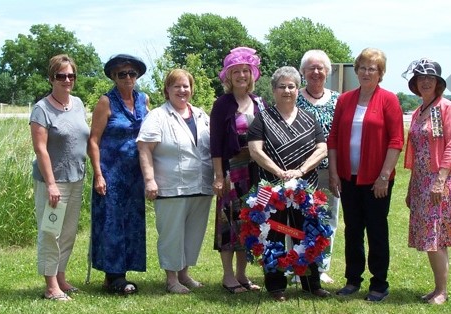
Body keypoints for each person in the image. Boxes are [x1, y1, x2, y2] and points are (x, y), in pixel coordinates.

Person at [248, 66, 331, 301]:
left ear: (298, 89)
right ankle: (276, 286)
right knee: (272, 234)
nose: (287, 90)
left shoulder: (309, 118)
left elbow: (322, 149)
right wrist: (280, 172)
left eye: (292, 86)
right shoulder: (263, 118)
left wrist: (301, 171)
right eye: (282, 86)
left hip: (305, 189)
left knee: (308, 234)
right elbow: (255, 150)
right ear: (273, 90)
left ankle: (311, 283)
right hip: (269, 189)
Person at [327, 48, 404, 302]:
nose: (367, 72)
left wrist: (384, 176)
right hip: (349, 178)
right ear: (356, 70)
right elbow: (334, 138)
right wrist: (335, 173)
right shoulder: (345, 100)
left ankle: (379, 284)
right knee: (353, 230)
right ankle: (352, 280)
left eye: (373, 68)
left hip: (376, 181)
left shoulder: (389, 100)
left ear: (380, 74)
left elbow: (396, 141)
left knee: (377, 231)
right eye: (362, 67)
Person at [137, 69, 214, 294]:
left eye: (186, 86)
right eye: (176, 86)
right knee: (171, 234)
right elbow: (144, 147)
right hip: (170, 186)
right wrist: (149, 180)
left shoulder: (201, 115)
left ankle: (184, 274)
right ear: (167, 90)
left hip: (200, 184)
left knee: (194, 232)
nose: (182, 90)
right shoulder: (158, 116)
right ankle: (171, 279)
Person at [402, 58, 451, 305]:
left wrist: (440, 180)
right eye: (421, 78)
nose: (425, 82)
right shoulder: (422, 111)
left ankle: (442, 291)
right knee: (432, 237)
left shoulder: (444, 108)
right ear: (415, 84)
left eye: (430, 78)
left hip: (439, 179)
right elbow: (418, 151)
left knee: (435, 237)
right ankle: (437, 288)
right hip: (421, 180)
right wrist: (412, 185)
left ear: (438, 83)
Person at [87, 54, 149, 295]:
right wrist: (99, 174)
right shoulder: (106, 102)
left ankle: (125, 270)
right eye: (121, 74)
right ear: (113, 76)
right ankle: (114, 276)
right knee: (111, 223)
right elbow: (93, 141)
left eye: (131, 73)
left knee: (132, 222)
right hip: (111, 173)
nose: (127, 78)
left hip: (135, 174)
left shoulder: (144, 99)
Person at [30, 54, 90, 301]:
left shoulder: (77, 104)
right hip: (53, 183)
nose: (67, 80)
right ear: (51, 78)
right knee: (50, 232)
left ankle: (62, 277)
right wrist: (52, 184)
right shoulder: (41, 109)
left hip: (76, 178)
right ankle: (50, 285)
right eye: (61, 76)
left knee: (67, 232)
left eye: (71, 75)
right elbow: (40, 149)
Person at [210, 47, 267, 294]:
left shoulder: (258, 102)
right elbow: (215, 144)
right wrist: (219, 176)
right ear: (229, 76)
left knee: (248, 223)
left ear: (251, 74)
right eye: (236, 72)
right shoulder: (222, 104)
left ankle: (243, 274)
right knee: (228, 224)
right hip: (232, 171)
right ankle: (228, 276)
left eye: (245, 71)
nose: (241, 75)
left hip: (255, 172)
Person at [296, 49, 340, 284]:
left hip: (329, 170)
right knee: (299, 218)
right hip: (300, 171)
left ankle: (321, 267)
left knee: (327, 219)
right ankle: (298, 266)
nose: (315, 72)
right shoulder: (294, 97)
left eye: (320, 68)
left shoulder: (337, 100)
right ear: (303, 72)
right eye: (311, 68)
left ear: (327, 72)